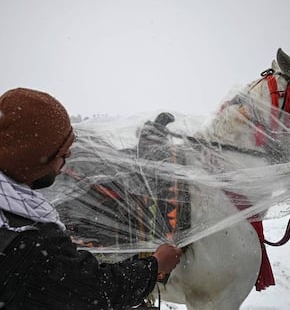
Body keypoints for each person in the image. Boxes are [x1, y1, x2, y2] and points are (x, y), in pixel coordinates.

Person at [0, 88, 182, 309]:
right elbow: (94, 290)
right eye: (63, 152)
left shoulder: (17, 214)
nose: (68, 158)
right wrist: (154, 266)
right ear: (33, 158)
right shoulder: (27, 241)